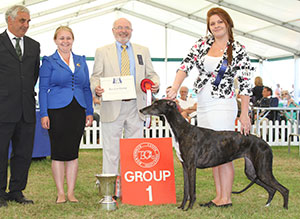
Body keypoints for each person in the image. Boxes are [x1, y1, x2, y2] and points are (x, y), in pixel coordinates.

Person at [166, 7, 253, 207]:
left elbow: (246, 83)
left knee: (224, 152)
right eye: (212, 23)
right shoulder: (202, 44)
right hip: (203, 104)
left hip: (223, 105)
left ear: (228, 23)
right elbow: (185, 66)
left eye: (219, 22)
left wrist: (245, 114)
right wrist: (175, 87)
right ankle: (218, 196)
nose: (216, 26)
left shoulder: (238, 49)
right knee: (212, 152)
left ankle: (226, 198)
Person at [90, 18, 160, 176]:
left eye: (127, 28)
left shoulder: (143, 50)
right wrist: (97, 88)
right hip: (112, 105)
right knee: (111, 150)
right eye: (120, 28)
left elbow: (152, 74)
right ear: (113, 30)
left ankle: (131, 187)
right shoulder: (102, 51)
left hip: (137, 106)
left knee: (135, 149)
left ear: (132, 30)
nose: (123, 31)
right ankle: (111, 187)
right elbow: (95, 76)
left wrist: (155, 84)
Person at [39, 26, 93, 204]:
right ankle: (60, 193)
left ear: (73, 40)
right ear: (55, 40)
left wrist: (89, 112)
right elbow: (42, 89)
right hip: (56, 111)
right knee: (58, 152)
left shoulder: (80, 60)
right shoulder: (49, 61)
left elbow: (86, 88)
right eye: (61, 38)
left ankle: (71, 193)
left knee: (72, 152)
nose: (65, 41)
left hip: (77, 110)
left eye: (68, 38)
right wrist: (44, 113)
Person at [0, 5, 40, 207]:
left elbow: (33, 75)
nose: (26, 25)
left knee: (23, 153)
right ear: (10, 20)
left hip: (26, 109)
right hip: (2, 109)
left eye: (28, 21)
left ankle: (16, 191)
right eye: (22, 21)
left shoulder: (34, 45)